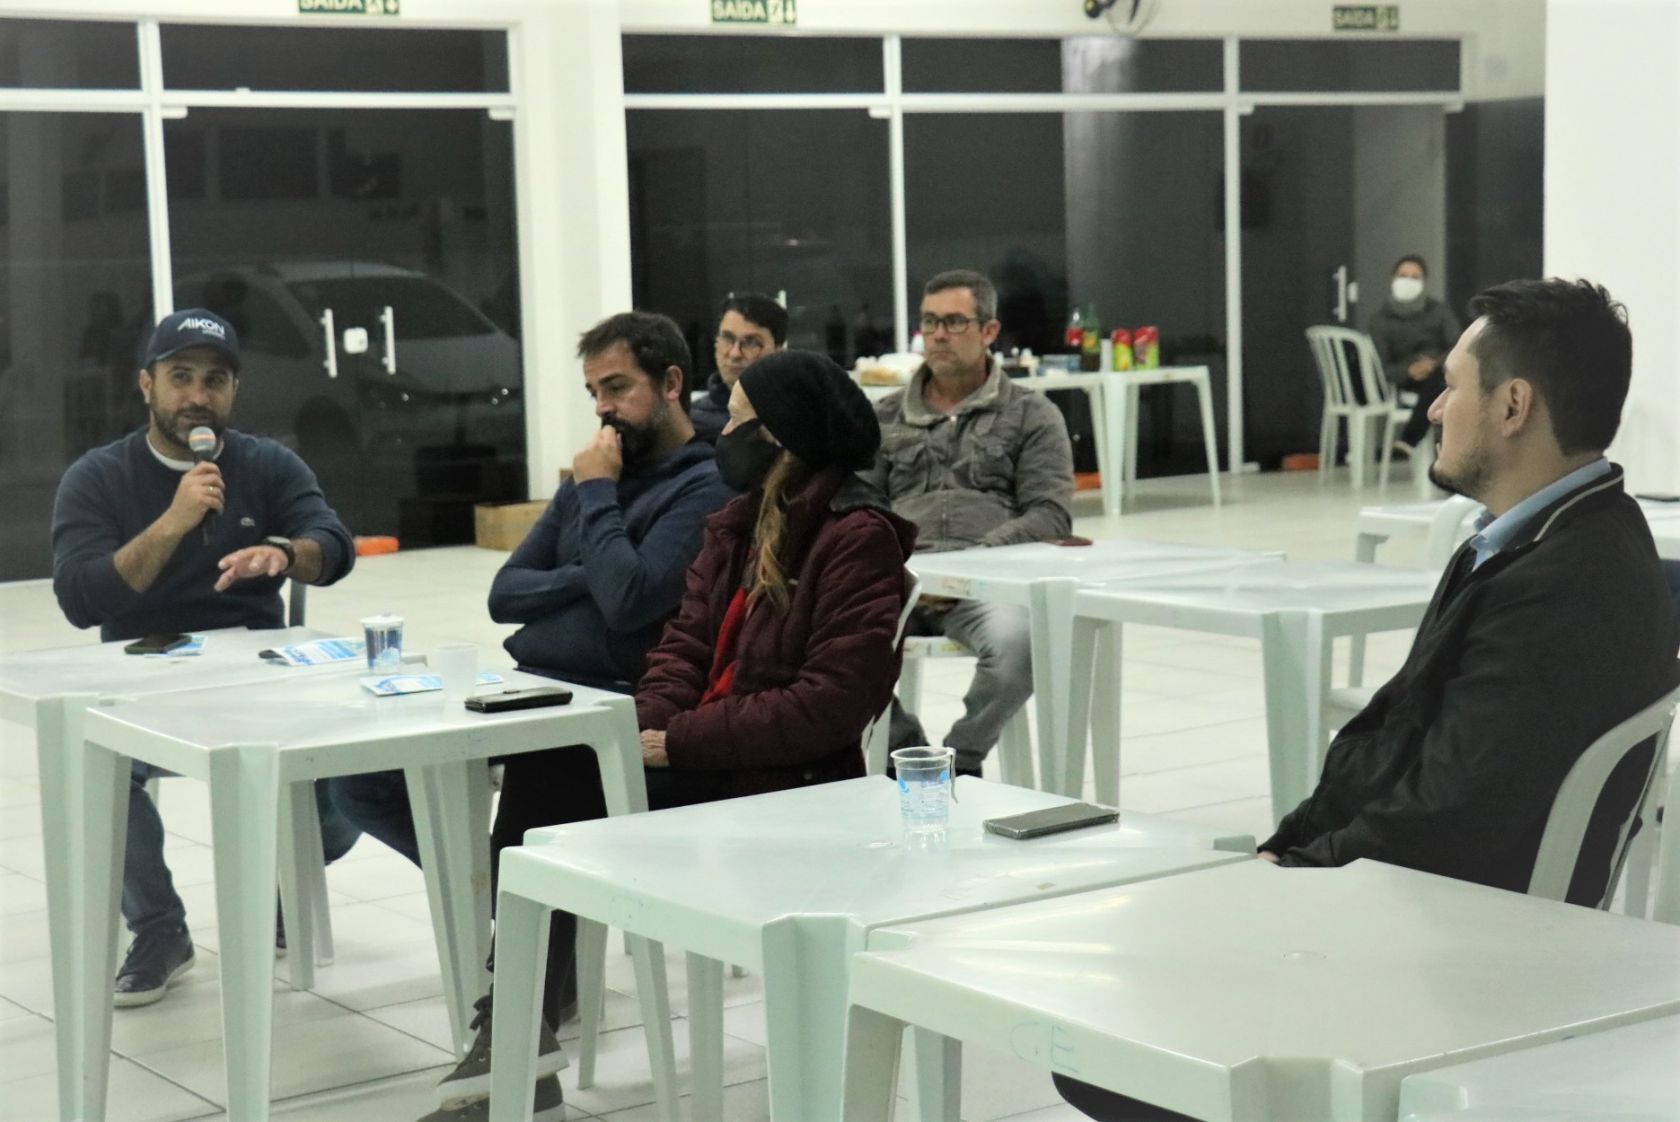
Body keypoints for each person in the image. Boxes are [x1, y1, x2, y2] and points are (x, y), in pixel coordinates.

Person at [1052, 278, 1680, 1122]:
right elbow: (1398, 739)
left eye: (1451, 387)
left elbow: (1451, 811)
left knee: (1106, 1049)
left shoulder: (1567, 579)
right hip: (1431, 907)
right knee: (1117, 999)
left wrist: (1303, 876)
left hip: (1451, 942)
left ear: (1513, 406)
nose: (1434, 409)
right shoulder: (1552, 536)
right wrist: (1286, 851)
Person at [418, 351, 914, 1122]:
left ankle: (513, 1040)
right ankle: (517, 1028)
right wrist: (644, 731)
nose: (725, 434)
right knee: (554, 765)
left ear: (781, 437)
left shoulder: (857, 536)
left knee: (555, 778)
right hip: (710, 757)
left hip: (790, 782)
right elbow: (679, 650)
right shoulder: (737, 523)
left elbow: (828, 705)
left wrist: (680, 742)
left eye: (739, 420)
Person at [51, 308, 358, 1008]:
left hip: (257, 677)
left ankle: (282, 885)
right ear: (147, 385)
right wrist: (175, 519)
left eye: (215, 380)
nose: (197, 395)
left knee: (357, 771)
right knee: (90, 764)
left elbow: (333, 545)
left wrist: (286, 553)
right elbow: (79, 598)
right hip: (142, 681)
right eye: (181, 377)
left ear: (233, 391)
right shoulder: (98, 477)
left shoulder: (268, 464)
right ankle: (160, 930)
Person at [865, 269, 1074, 777]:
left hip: (990, 581)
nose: (938, 334)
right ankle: (908, 752)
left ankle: (960, 760)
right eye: (929, 322)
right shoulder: (883, 417)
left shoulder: (1031, 414)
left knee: (1020, 647)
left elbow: (1050, 513)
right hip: (900, 580)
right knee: (830, 646)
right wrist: (901, 567)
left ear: (989, 331)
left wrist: (969, 567)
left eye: (954, 322)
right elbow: (859, 507)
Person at [1368, 253, 1461, 453]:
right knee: (1439, 383)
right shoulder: (1379, 321)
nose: (1408, 281)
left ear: (1423, 282)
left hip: (1441, 369)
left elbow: (1458, 345)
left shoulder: (1439, 311)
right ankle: (1416, 441)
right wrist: (1410, 370)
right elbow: (1382, 368)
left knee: (1440, 378)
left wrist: (1434, 364)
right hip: (1407, 380)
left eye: (1415, 277)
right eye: (1403, 276)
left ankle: (1410, 439)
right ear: (1393, 279)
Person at [690, 292, 788, 443]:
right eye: (727, 338)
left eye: (751, 342)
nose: (735, 353)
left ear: (778, 352)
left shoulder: (797, 415)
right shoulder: (690, 422)